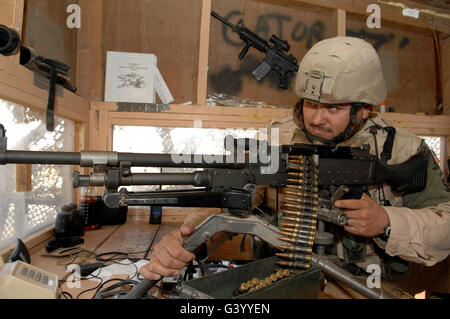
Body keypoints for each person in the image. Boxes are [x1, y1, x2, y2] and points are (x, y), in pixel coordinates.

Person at [139, 36, 450, 283]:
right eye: (311, 103)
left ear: (364, 108)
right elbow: (235, 199)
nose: (316, 118)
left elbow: (446, 223)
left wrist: (387, 222)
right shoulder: (279, 139)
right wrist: (190, 239)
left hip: (365, 287)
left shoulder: (403, 150)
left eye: (332, 108)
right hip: (283, 281)